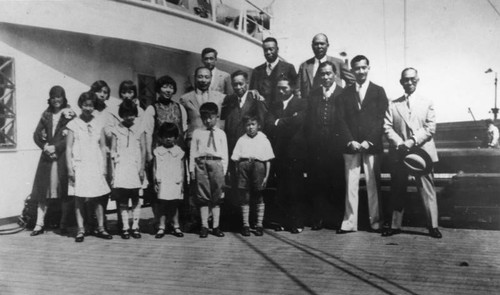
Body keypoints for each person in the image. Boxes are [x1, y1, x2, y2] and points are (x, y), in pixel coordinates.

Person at [382, 67, 442, 239]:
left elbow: (430, 128)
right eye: (405, 80)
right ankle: (394, 225)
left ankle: (433, 225)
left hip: (422, 154)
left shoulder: (427, 102)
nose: (409, 82)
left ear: (417, 80)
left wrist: (412, 141)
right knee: (397, 188)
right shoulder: (393, 103)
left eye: (412, 79)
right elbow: (387, 126)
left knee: (427, 189)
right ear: (401, 82)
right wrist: (399, 143)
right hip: (399, 153)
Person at [337, 55, 388, 234]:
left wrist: (369, 141)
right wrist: (350, 140)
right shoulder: (345, 93)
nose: (360, 71)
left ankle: (376, 222)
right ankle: (350, 222)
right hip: (351, 146)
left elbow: (382, 119)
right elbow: (341, 119)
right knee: (350, 185)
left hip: (371, 145)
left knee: (373, 185)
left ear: (368, 68)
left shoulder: (378, 91)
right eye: (357, 68)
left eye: (363, 68)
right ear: (352, 71)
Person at [66, 91, 112, 242]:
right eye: (85, 105)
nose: (88, 108)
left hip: (95, 164)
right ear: (80, 105)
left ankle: (101, 227)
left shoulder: (99, 123)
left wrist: (104, 168)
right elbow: (68, 148)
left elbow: (103, 146)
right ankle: (81, 229)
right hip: (80, 164)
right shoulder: (73, 124)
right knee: (79, 197)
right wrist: (69, 168)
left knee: (98, 196)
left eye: (91, 105)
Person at [304, 61, 345, 231]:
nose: (326, 77)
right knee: (317, 182)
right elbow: (308, 121)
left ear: (335, 74)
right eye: (323, 74)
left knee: (336, 182)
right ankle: (318, 218)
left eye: (329, 73)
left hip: (336, 146)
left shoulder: (343, 94)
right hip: (317, 146)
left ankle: (335, 218)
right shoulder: (313, 94)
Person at [30, 85, 75, 236]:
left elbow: (71, 136)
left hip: (62, 157)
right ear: (50, 98)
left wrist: (56, 148)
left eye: (59, 96)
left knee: (64, 191)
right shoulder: (46, 114)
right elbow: (36, 134)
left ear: (64, 98)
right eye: (53, 97)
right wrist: (45, 146)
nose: (56, 100)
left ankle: (63, 223)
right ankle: (39, 224)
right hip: (47, 158)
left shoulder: (69, 114)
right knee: (43, 191)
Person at [267, 77, 307, 233]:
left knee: (295, 188)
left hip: (295, 152)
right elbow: (269, 123)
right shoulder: (274, 105)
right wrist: (285, 121)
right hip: (279, 152)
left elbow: (298, 121)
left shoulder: (301, 103)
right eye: (279, 88)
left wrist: (279, 122)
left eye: (284, 88)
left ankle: (297, 223)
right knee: (282, 188)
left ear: (292, 88)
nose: (281, 91)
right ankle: (283, 221)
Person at [231, 114, 274, 236]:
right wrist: (237, 172)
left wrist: (266, 176)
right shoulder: (241, 139)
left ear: (258, 125)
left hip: (258, 167)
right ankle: (246, 225)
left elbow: (268, 161)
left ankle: (259, 225)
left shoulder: (264, 139)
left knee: (259, 195)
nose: (250, 127)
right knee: (245, 196)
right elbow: (236, 160)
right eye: (248, 125)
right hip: (243, 167)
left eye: (253, 124)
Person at [189, 102, 228, 238]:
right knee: (203, 197)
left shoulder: (221, 133)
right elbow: (193, 152)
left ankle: (216, 226)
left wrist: (224, 170)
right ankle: (204, 226)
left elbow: (225, 153)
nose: (208, 120)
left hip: (217, 164)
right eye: (205, 118)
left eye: (211, 117)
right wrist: (191, 170)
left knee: (217, 197)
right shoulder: (197, 133)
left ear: (217, 117)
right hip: (201, 164)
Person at [110, 99, 146, 239]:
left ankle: (135, 226)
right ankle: (125, 227)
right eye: (126, 114)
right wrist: (115, 167)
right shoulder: (116, 129)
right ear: (121, 114)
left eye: (132, 114)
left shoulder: (139, 128)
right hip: (122, 168)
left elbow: (143, 149)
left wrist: (142, 168)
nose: (130, 117)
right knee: (123, 199)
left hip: (135, 167)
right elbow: (113, 149)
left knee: (136, 198)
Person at [297, 33, 355, 99]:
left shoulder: (338, 63)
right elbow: (297, 90)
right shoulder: (305, 66)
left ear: (327, 45)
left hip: (335, 103)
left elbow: (352, 81)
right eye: (316, 44)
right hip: (311, 105)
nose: (319, 46)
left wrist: (343, 93)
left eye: (322, 44)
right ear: (312, 46)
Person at [153, 122, 185, 238]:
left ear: (176, 137)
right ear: (161, 137)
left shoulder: (179, 151)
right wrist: (156, 181)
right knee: (162, 205)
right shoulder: (158, 151)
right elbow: (155, 167)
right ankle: (161, 227)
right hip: (163, 181)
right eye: (165, 136)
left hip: (175, 181)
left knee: (174, 205)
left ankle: (176, 225)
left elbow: (181, 168)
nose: (168, 138)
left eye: (171, 136)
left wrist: (181, 183)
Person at [180, 67, 225, 144]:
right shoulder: (185, 99)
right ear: (195, 78)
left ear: (211, 79)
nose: (203, 80)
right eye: (200, 77)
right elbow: (183, 122)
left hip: (214, 140)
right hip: (193, 141)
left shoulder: (221, 97)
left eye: (207, 77)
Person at [249, 37, 297, 105]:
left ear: (277, 49)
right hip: (261, 112)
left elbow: (296, 91)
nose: (268, 52)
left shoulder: (289, 68)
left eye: (271, 49)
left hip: (282, 113)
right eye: (265, 50)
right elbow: (252, 92)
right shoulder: (257, 71)